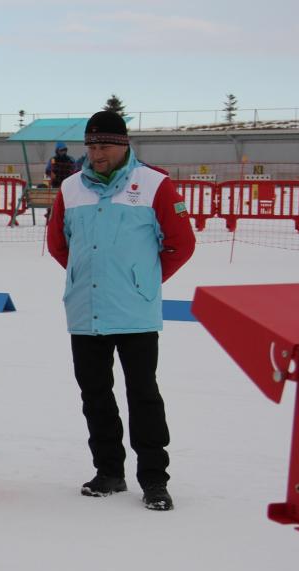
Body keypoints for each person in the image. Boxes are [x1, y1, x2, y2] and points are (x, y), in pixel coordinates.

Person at [46, 110, 196, 511]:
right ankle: (109, 471)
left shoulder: (154, 184)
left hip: (135, 311)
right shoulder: (71, 188)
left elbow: (181, 243)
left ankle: (154, 479)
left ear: (124, 145)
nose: (97, 153)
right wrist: (85, 276)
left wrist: (141, 281)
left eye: (105, 145)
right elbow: (60, 245)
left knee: (143, 395)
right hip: (85, 310)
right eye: (92, 146)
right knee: (95, 396)